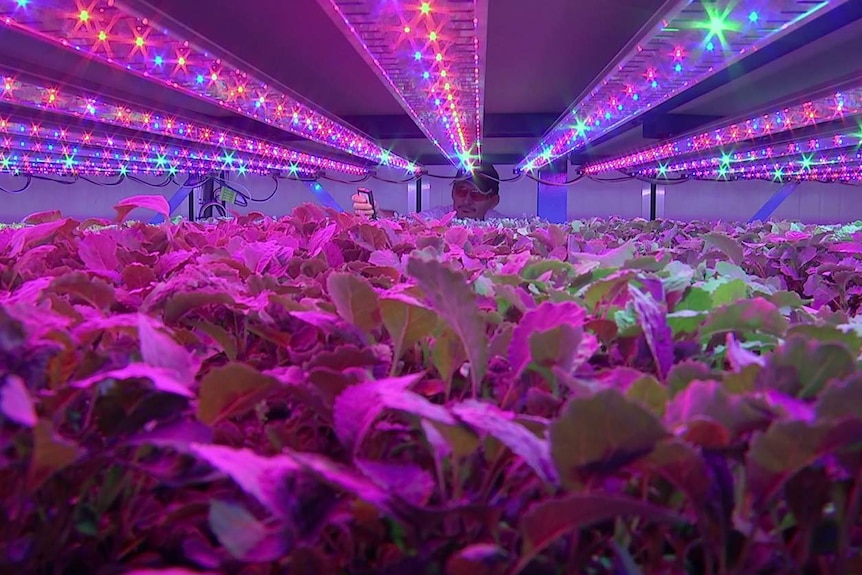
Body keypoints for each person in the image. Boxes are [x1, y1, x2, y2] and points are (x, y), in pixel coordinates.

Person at [351, 161, 506, 221]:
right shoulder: (438, 217)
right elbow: (403, 222)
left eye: (477, 194)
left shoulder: (501, 227)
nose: (466, 201)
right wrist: (377, 213)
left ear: (493, 201)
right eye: (461, 191)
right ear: (452, 193)